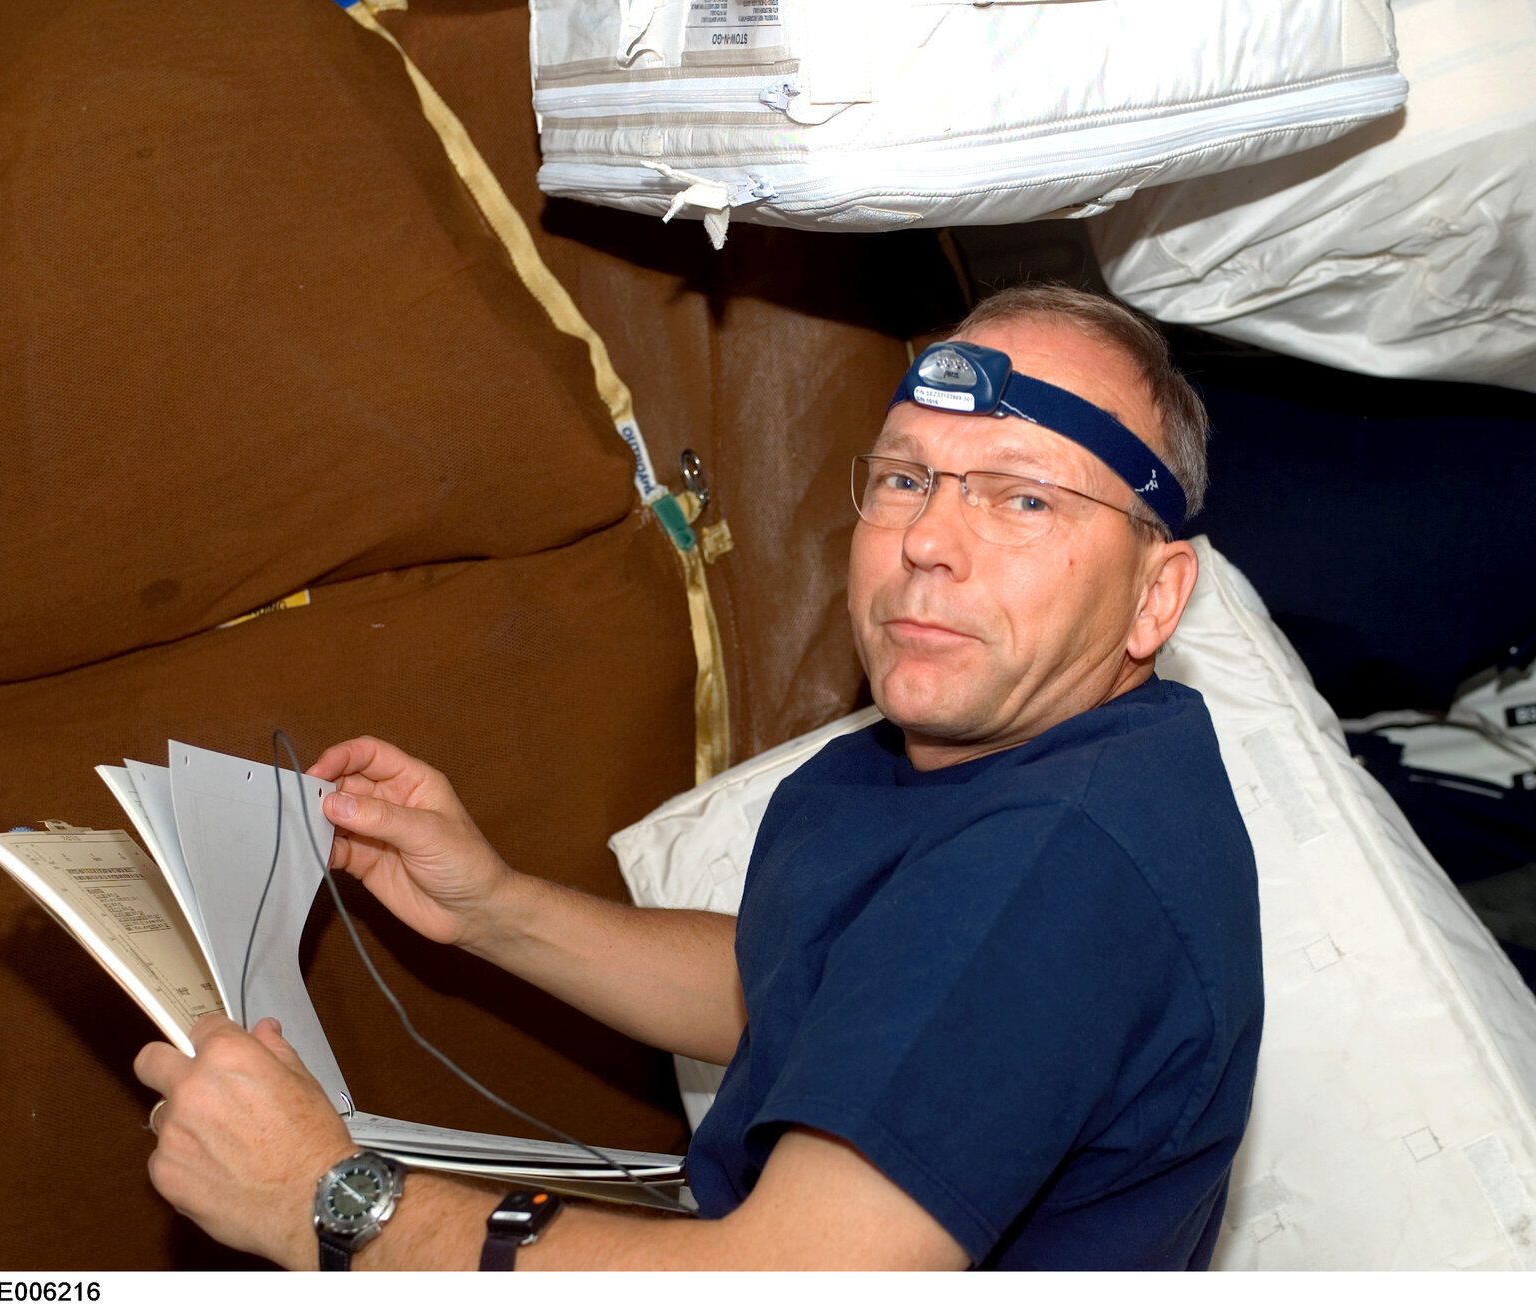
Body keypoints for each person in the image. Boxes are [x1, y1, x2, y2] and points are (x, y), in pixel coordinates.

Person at [134, 284, 1264, 1271]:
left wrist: (326, 1203)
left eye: (1022, 498)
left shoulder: (1054, 865)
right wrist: (495, 909)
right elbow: (812, 982)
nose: (929, 540)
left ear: (1157, 596)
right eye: (910, 477)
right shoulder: (957, 754)